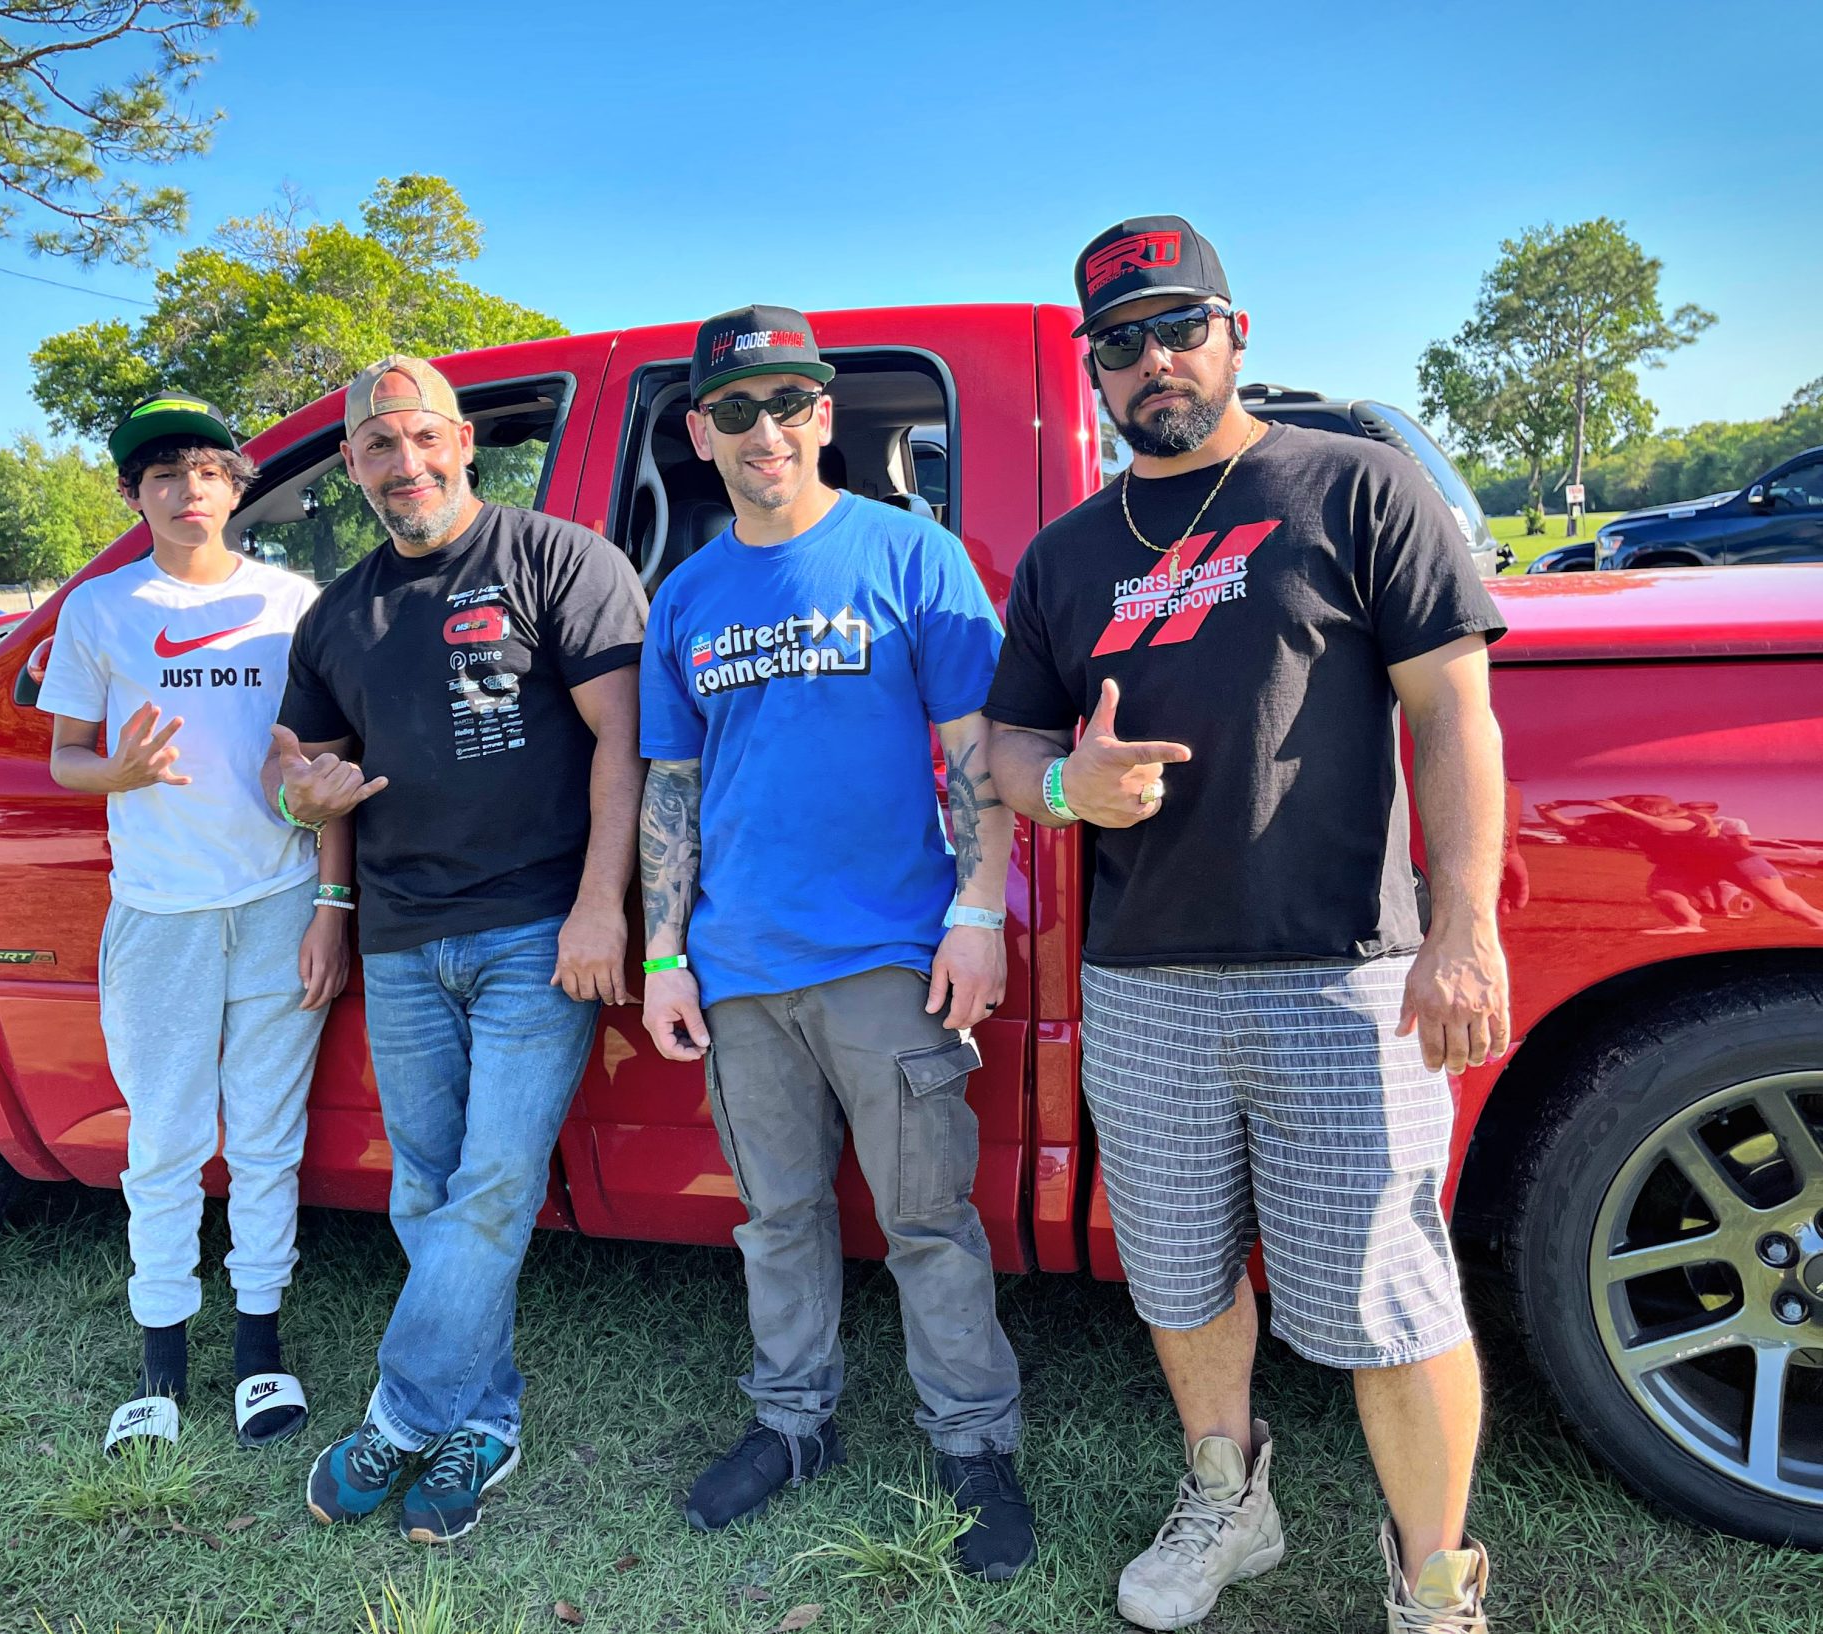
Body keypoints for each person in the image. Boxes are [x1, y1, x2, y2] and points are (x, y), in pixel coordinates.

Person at [984, 218, 1510, 1633]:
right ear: (1094, 368)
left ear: (1235, 332)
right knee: (1178, 1275)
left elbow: (1454, 712)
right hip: (1145, 980)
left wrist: (1462, 930)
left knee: (1392, 1301)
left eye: (1179, 328)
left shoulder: (1356, 487)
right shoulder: (1066, 554)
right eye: (1121, 342)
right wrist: (1061, 784)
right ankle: (1231, 1494)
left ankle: (1437, 1580)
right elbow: (1002, 748)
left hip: (1343, 974)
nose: (1155, 361)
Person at [639, 306, 1035, 1580]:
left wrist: (978, 913)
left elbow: (979, 750)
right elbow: (671, 786)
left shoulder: (910, 555)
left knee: (927, 1220)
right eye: (736, 409)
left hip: (885, 960)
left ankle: (973, 1448)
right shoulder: (686, 594)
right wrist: (661, 950)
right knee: (777, 1217)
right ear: (701, 432)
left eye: (788, 401)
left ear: (823, 413)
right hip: (741, 967)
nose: (765, 429)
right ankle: (790, 1424)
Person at [277, 355, 646, 1546]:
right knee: (427, 1188)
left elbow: (622, 744)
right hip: (398, 941)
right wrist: (319, 866)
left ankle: (400, 1412)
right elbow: (302, 768)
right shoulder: (339, 613)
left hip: (539, 931)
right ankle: (482, 1419)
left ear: (463, 442)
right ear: (350, 465)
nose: (404, 463)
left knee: (491, 1183)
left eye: (422, 436)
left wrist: (602, 905)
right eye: (377, 446)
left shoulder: (557, 559)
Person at [39, 391, 347, 1455]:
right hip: (159, 916)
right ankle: (159, 1363)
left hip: (274, 903)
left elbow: (321, 758)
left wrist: (325, 899)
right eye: (162, 474)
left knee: (266, 1137)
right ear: (134, 495)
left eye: (207, 470)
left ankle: (258, 1351)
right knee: (165, 1141)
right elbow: (65, 754)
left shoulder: (292, 601)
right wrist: (113, 770)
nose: (187, 490)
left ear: (237, 484)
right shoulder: (101, 608)